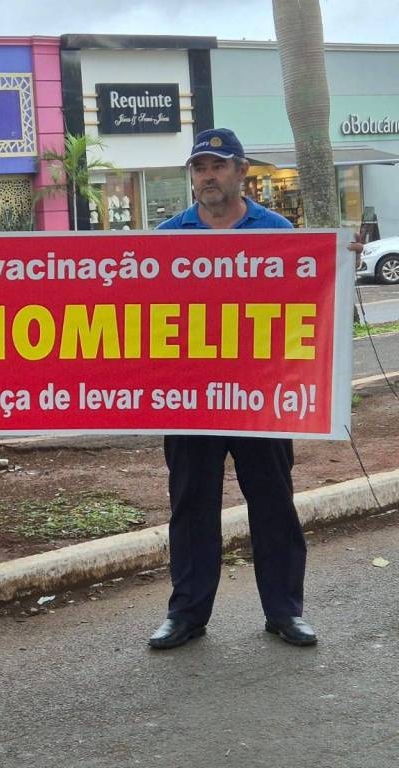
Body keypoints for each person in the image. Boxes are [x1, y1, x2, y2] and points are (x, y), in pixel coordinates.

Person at [149, 128, 317, 650]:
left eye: (218, 166)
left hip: (259, 397)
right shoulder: (166, 236)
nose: (208, 176)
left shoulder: (277, 230)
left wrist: (338, 258)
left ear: (241, 171)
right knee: (190, 507)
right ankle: (186, 615)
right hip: (191, 398)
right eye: (200, 167)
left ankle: (285, 613)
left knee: (273, 504)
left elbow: (307, 294)